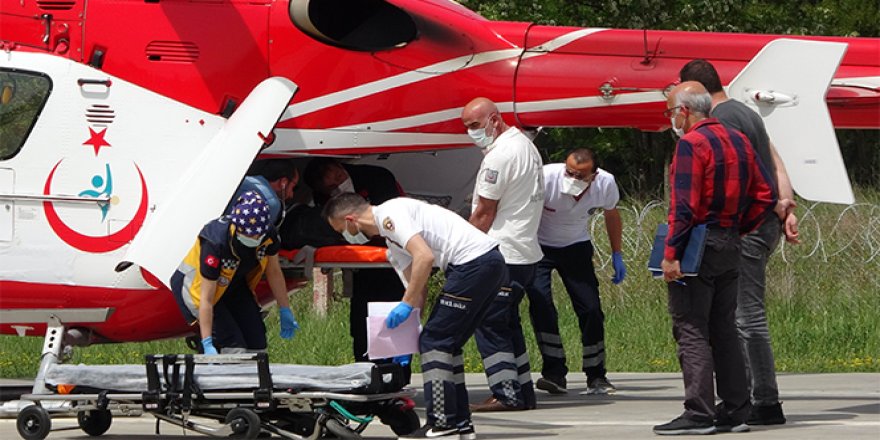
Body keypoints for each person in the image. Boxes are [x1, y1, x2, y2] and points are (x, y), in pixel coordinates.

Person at [654, 82, 790, 436]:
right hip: (731, 241)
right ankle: (736, 407)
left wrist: (671, 255)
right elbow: (764, 194)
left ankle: (698, 411)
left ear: (684, 111)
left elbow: (684, 207)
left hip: (697, 244)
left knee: (691, 328)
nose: (671, 119)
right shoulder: (738, 140)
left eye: (671, 112)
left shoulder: (691, 144)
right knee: (725, 328)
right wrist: (739, 227)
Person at [323, 193, 508, 439]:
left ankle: (442, 423)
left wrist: (406, 306)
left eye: (341, 230)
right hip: (486, 264)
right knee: (447, 345)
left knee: (435, 342)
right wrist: (409, 329)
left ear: (350, 220)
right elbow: (416, 286)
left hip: (473, 264)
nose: (345, 235)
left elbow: (424, 256)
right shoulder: (392, 242)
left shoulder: (390, 214)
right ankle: (461, 423)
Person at [680, 59, 799, 426]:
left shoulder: (722, 120)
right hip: (763, 219)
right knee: (742, 315)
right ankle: (753, 398)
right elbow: (775, 160)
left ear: (694, 90)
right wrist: (785, 203)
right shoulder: (745, 112)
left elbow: (736, 174)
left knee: (746, 317)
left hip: (745, 226)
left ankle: (763, 400)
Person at [461, 97, 544, 411]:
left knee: (489, 323)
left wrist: (461, 251)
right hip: (524, 254)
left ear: (494, 120)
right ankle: (522, 391)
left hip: (501, 253)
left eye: (473, 126)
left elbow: (484, 213)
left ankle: (505, 393)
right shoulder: (525, 146)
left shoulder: (499, 156)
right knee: (508, 324)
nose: (471, 133)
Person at [525, 148, 625, 396]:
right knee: (541, 304)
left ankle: (596, 375)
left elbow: (612, 215)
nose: (573, 178)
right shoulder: (546, 177)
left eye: (580, 175)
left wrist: (617, 253)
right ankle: (554, 372)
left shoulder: (605, 183)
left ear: (594, 174)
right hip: (540, 247)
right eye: (569, 172)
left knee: (590, 308)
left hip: (576, 247)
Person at [304, 157, 407, 362]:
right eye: (331, 187)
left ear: (340, 167)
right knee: (362, 321)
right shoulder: (323, 196)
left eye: (338, 178)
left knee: (392, 320)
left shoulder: (377, 177)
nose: (338, 184)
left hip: (391, 258)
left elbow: (389, 217)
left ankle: (396, 375)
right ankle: (365, 369)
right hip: (360, 263)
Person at [171, 191, 299, 354]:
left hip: (233, 286)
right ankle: (218, 370)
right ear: (237, 227)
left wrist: (284, 309)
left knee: (257, 342)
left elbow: (274, 271)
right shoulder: (216, 242)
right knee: (232, 347)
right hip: (199, 290)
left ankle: (255, 379)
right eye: (248, 234)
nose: (253, 237)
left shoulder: (268, 234)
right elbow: (206, 299)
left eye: (257, 234)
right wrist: (207, 340)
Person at [227, 159, 299, 226]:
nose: (291, 195)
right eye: (293, 187)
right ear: (284, 182)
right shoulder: (271, 203)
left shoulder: (243, 180)